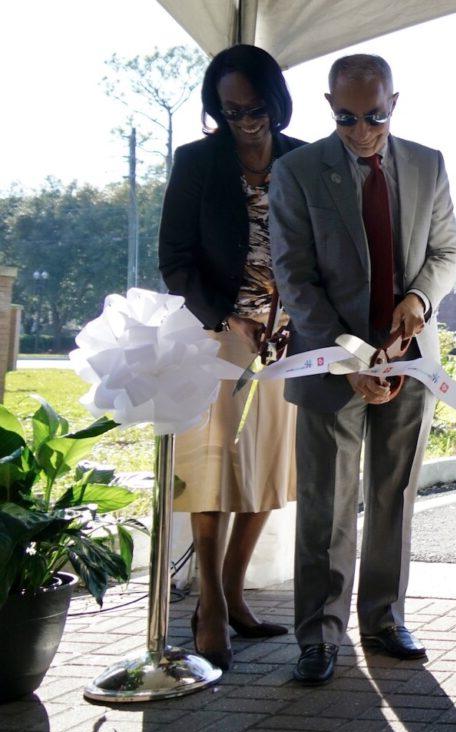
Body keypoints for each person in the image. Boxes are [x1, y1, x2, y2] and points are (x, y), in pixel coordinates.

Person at [269, 53, 456, 686]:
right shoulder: (296, 171)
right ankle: (320, 636)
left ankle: (384, 617)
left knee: (393, 495)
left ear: (394, 103)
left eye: (374, 116)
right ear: (329, 107)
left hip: (409, 357)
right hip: (330, 364)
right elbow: (293, 276)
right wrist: (347, 355)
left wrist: (420, 300)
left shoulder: (428, 165)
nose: (361, 130)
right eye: (347, 117)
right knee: (325, 505)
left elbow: (445, 252)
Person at [159, 44, 305, 672]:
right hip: (217, 332)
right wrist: (226, 316)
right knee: (212, 466)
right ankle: (211, 604)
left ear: (274, 98)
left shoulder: (305, 160)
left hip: (291, 338)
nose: (243, 118)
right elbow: (176, 260)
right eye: (229, 108)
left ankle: (237, 594)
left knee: (266, 469)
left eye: (252, 106)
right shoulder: (197, 161)